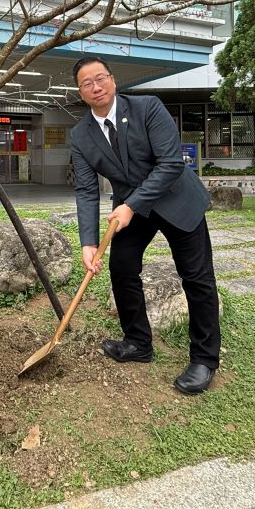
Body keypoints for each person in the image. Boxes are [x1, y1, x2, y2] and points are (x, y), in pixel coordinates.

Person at [69, 56, 221, 395]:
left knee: (196, 277)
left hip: (176, 200)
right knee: (121, 268)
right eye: (87, 83)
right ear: (80, 92)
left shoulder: (147, 107)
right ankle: (138, 342)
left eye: (101, 77)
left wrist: (130, 205)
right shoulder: (80, 136)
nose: (96, 86)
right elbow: (86, 189)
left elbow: (170, 164)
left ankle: (205, 358)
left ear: (112, 79)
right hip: (134, 211)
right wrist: (88, 242)